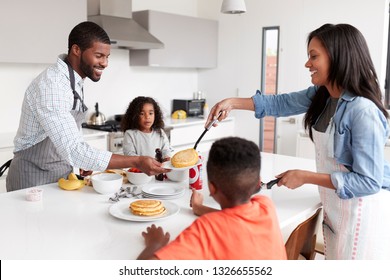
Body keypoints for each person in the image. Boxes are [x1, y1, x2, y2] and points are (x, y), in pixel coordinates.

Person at [206, 24, 390, 260]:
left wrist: (304, 177)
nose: (307, 64)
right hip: (336, 207)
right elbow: (280, 103)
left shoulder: (363, 111)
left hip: (361, 214)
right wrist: (231, 102)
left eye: (314, 56)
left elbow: (369, 181)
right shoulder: (322, 95)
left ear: (339, 57)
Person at [6, 21, 168, 192]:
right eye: (99, 56)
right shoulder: (52, 86)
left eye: (107, 57)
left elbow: (69, 132)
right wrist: (136, 161)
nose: (105, 63)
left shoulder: (73, 80)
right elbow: (73, 149)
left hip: (61, 174)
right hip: (33, 179)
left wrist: (83, 161)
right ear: (76, 50)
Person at [137, 137, 287, 260]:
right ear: (258, 183)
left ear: (211, 188)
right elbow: (236, 219)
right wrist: (200, 208)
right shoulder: (266, 206)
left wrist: (154, 244)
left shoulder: (205, 229)